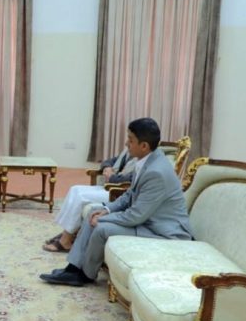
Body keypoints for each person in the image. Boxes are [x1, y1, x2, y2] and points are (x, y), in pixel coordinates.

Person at [40, 118, 192, 287]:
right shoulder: (148, 160)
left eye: (130, 140)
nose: (126, 143)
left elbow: (136, 216)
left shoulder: (156, 172)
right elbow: (129, 195)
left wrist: (104, 218)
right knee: (94, 212)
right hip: (148, 221)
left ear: (144, 146)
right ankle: (73, 268)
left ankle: (85, 275)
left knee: (101, 228)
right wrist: (107, 209)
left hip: (163, 231)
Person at [42, 148, 136, 252]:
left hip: (117, 192)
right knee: (75, 189)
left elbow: (131, 179)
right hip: (108, 186)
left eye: (131, 140)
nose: (127, 143)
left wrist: (112, 177)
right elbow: (109, 161)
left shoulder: (142, 159)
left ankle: (65, 241)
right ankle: (67, 233)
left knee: (81, 197)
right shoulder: (129, 151)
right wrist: (107, 167)